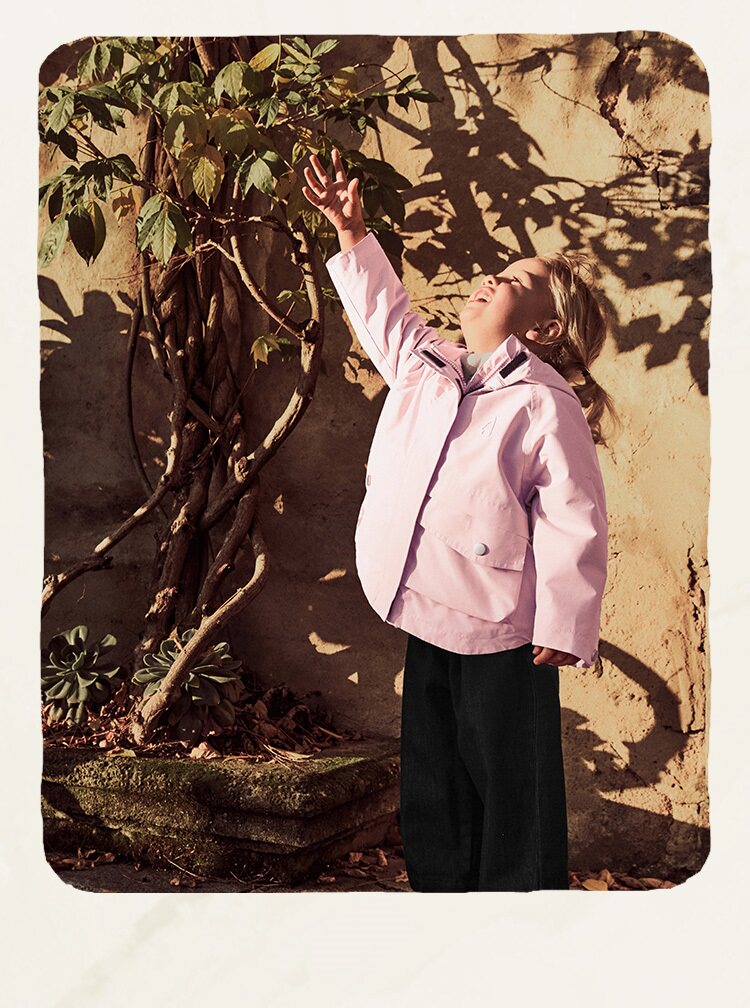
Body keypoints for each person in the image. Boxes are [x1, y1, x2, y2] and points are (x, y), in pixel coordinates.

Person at [302, 148, 618, 892]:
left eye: (518, 282)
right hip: (427, 609)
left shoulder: (545, 404)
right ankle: (441, 895)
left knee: (511, 779)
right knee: (433, 774)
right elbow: (384, 313)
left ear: (545, 330)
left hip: (507, 632)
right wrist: (350, 232)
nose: (493, 279)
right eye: (501, 269)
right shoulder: (427, 367)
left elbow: (575, 517)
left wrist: (565, 622)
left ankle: (521, 903)